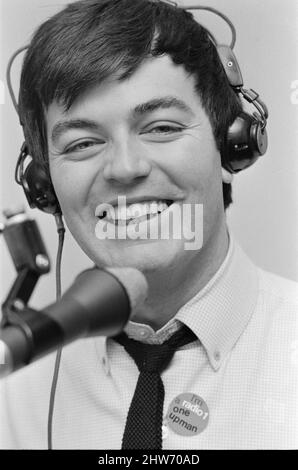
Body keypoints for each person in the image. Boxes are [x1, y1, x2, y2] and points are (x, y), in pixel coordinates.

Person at [0, 0, 297, 450]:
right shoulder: (12, 386)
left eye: (160, 128)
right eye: (82, 142)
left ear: (231, 146)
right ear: (45, 187)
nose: (124, 168)